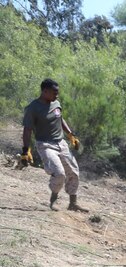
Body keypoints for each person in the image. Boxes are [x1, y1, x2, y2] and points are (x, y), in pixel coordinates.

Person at [22, 78, 87, 212]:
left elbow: (60, 119)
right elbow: (27, 130)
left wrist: (70, 135)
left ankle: (73, 203)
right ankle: (53, 201)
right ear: (45, 91)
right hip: (45, 145)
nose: (57, 95)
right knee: (59, 173)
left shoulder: (55, 103)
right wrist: (25, 150)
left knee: (73, 171)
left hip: (61, 143)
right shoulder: (33, 108)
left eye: (57, 93)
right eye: (54, 92)